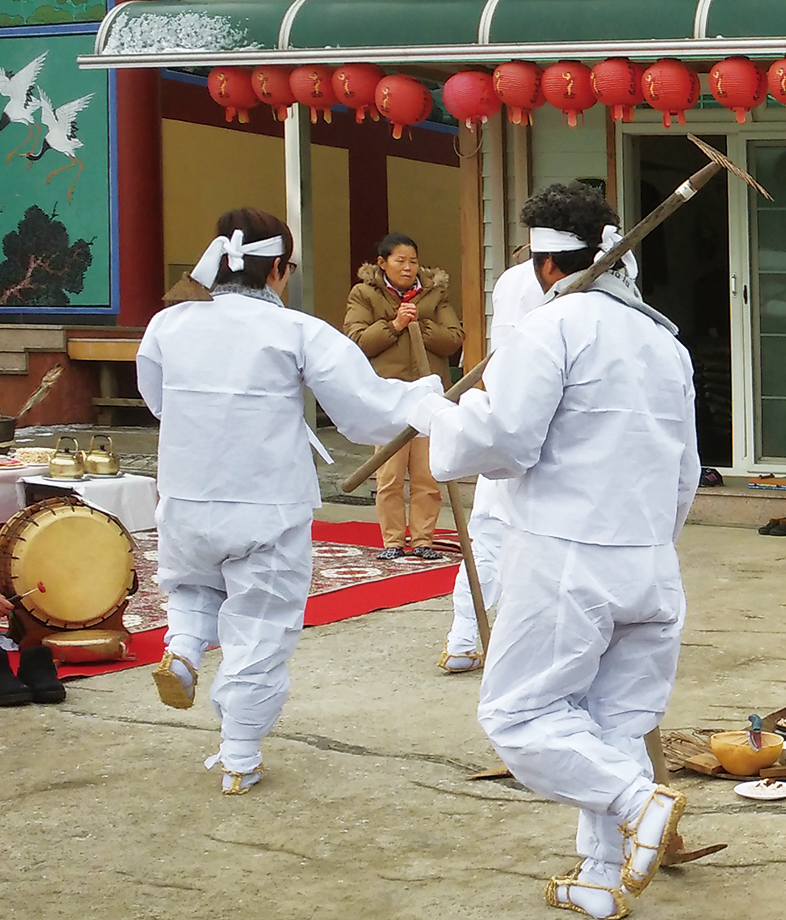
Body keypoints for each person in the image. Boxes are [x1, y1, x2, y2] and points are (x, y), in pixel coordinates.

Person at [411, 183, 699, 920]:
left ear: (543, 265)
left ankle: (639, 800)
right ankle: (603, 872)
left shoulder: (552, 328)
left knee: (520, 714)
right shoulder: (665, 342)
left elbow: (505, 440)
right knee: (610, 725)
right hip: (649, 561)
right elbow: (687, 472)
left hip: (571, 558)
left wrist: (442, 414)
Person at [137, 208, 440, 793]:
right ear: (278, 269)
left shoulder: (166, 326)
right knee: (261, 622)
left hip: (185, 493)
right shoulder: (295, 331)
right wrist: (422, 396)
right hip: (264, 502)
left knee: (192, 584)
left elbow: (157, 399)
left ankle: (182, 652)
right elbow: (363, 411)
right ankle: (240, 755)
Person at [439, 250, 554, 674]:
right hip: (530, 418)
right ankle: (472, 638)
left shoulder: (511, 278)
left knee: (492, 540)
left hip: (508, 411)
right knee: (504, 541)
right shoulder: (521, 281)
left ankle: (466, 639)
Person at [344, 233, 464, 561]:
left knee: (427, 474)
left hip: (428, 395)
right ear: (382, 263)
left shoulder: (434, 293)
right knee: (390, 474)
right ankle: (393, 541)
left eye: (413, 260)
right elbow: (356, 340)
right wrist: (395, 324)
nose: (408, 267)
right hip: (389, 398)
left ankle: (424, 539)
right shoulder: (364, 294)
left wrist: (420, 326)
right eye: (400, 260)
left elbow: (454, 338)